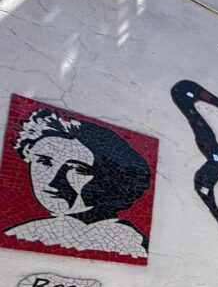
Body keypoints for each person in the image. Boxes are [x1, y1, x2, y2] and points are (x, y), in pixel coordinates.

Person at [5, 107, 152, 257]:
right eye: (44, 161)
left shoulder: (130, 244)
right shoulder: (25, 233)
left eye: (78, 169)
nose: (54, 181)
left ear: (110, 180)